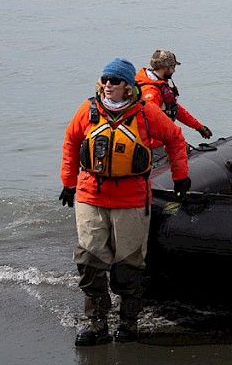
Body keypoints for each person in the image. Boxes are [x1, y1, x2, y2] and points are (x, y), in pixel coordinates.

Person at [59, 58, 191, 346]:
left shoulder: (146, 113)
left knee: (128, 263)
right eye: (105, 80)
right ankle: (96, 324)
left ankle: (129, 322)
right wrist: (68, 183)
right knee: (90, 260)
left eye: (115, 81)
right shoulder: (88, 110)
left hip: (130, 197)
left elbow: (175, 138)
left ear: (128, 86)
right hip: (90, 193)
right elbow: (71, 142)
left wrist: (181, 177)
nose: (108, 85)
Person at [135, 49, 212, 162]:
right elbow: (152, 119)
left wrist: (198, 127)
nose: (174, 70)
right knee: (181, 152)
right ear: (166, 68)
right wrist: (176, 140)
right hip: (153, 145)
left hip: (161, 139)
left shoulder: (160, 85)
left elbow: (175, 109)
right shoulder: (150, 91)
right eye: (173, 67)